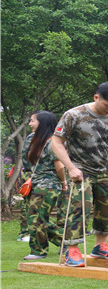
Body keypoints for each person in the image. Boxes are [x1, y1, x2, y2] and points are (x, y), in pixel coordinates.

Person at [51, 81, 108, 266]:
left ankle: (100, 246)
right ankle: (72, 250)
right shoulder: (74, 115)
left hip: (105, 171)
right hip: (79, 169)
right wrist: (70, 168)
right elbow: (56, 143)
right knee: (79, 207)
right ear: (96, 97)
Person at [22, 111, 67, 260]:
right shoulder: (32, 138)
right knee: (36, 218)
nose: (30, 123)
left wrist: (63, 183)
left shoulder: (53, 142)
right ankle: (66, 243)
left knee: (36, 218)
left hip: (49, 184)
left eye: (32, 121)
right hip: (36, 183)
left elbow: (60, 167)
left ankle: (39, 251)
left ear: (42, 123)